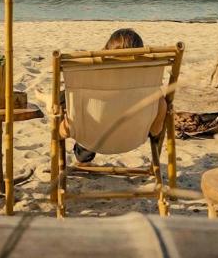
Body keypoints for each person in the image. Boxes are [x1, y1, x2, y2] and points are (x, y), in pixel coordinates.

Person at [60, 28, 169, 164]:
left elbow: (64, 132)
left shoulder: (94, 75)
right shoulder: (147, 82)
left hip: (92, 138)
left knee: (66, 99)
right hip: (132, 140)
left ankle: (84, 154)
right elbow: (155, 130)